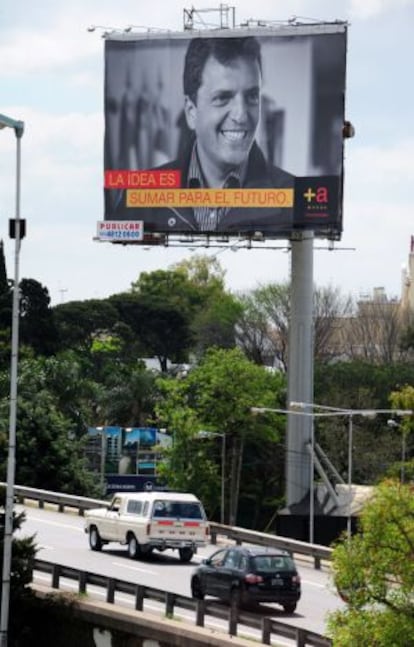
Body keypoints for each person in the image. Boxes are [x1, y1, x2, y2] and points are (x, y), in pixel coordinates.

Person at [112, 36, 295, 234]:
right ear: (191, 112)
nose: (241, 115)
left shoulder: (295, 199)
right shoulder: (136, 199)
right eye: (223, 98)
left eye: (251, 97)